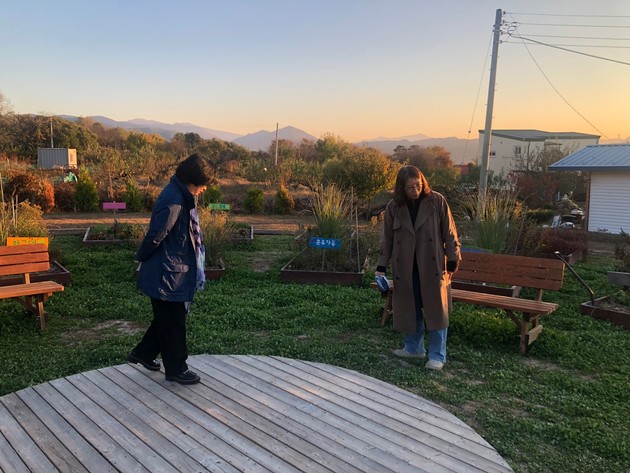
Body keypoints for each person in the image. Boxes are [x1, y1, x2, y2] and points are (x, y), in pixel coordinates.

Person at [127, 153, 212, 385]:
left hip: (171, 268)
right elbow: (157, 234)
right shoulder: (175, 199)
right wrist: (141, 258)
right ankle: (176, 369)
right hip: (167, 272)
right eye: (204, 183)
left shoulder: (180, 194)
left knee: (166, 318)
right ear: (194, 180)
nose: (205, 188)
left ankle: (143, 353)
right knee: (174, 322)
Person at [376, 165, 461, 371]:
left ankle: (437, 355)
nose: (415, 190)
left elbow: (449, 231)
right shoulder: (394, 207)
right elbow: (387, 238)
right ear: (401, 188)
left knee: (436, 310)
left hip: (432, 265)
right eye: (409, 187)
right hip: (405, 267)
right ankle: (413, 348)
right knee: (409, 307)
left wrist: (453, 257)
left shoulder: (436, 201)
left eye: (418, 185)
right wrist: (381, 266)